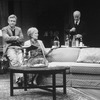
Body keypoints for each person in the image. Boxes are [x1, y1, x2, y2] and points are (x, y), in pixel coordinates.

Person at [2, 14, 24, 82]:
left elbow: (22, 39)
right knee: (14, 61)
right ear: (8, 21)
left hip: (18, 47)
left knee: (21, 62)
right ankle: (20, 78)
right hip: (10, 48)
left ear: (15, 22)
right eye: (11, 21)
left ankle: (19, 79)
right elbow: (6, 38)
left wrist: (13, 38)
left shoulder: (19, 29)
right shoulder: (4, 29)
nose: (12, 22)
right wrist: (16, 37)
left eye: (14, 21)